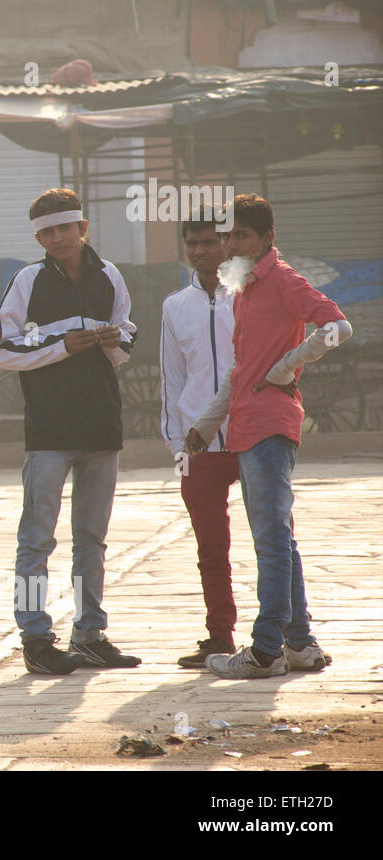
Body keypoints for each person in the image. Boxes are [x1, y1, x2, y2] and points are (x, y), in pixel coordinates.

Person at [185, 194, 350, 678]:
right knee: (281, 537)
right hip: (245, 424)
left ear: (266, 239)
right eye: (228, 236)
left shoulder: (282, 280)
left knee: (270, 539)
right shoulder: (245, 288)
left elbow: (338, 327)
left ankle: (264, 650)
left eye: (241, 236)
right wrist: (206, 422)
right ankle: (299, 645)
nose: (230, 244)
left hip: (271, 424)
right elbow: (240, 368)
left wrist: (285, 368)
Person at [0, 188, 141, 674]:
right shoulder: (28, 279)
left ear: (83, 228)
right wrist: (62, 346)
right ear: (38, 237)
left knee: (92, 538)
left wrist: (117, 340)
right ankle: (35, 638)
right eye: (46, 232)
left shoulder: (109, 275)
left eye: (64, 228)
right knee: (36, 538)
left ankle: (91, 633)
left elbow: (126, 337)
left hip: (101, 424)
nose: (56, 238)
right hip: (50, 429)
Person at [160, 214, 239, 667]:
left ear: (227, 244)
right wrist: (175, 442)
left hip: (252, 436)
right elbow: (172, 379)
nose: (200, 251)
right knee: (210, 547)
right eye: (192, 243)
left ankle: (289, 632)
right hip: (196, 445)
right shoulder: (175, 306)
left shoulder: (250, 297)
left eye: (209, 242)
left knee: (275, 539)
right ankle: (220, 636)